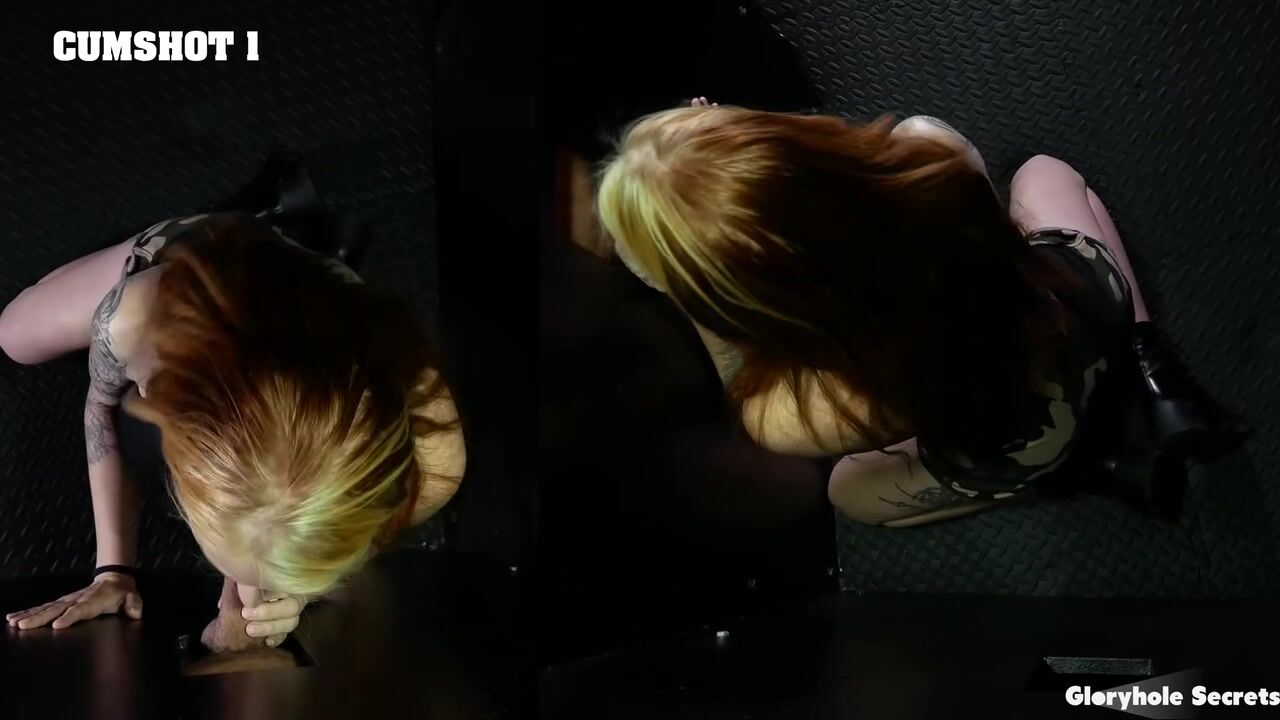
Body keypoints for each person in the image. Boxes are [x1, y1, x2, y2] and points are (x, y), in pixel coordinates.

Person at [596, 99, 1214, 527]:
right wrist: (736, 137)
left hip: (1027, 435)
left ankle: (1079, 470)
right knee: (1045, 173)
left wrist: (685, 293)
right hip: (1078, 309)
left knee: (850, 494)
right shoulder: (931, 154)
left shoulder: (808, 407)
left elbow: (738, 364)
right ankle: (1152, 368)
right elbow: (830, 178)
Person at [0, 211, 465, 647]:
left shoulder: (434, 465)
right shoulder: (138, 319)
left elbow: (291, 525)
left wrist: (297, 588)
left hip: (311, 305)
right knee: (12, 335)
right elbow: (102, 406)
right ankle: (256, 215)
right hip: (191, 253)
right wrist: (112, 570)